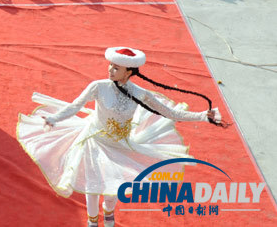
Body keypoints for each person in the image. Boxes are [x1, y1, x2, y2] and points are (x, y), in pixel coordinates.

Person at [17, 46, 226, 227]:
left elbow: (170, 113)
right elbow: (75, 106)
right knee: (92, 185)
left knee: (112, 190)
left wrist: (202, 116)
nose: (110, 70)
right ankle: (92, 221)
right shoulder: (98, 87)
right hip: (93, 140)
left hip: (121, 144)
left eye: (116, 68)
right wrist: (55, 118)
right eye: (110, 65)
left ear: (129, 72)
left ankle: (108, 213)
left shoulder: (140, 93)